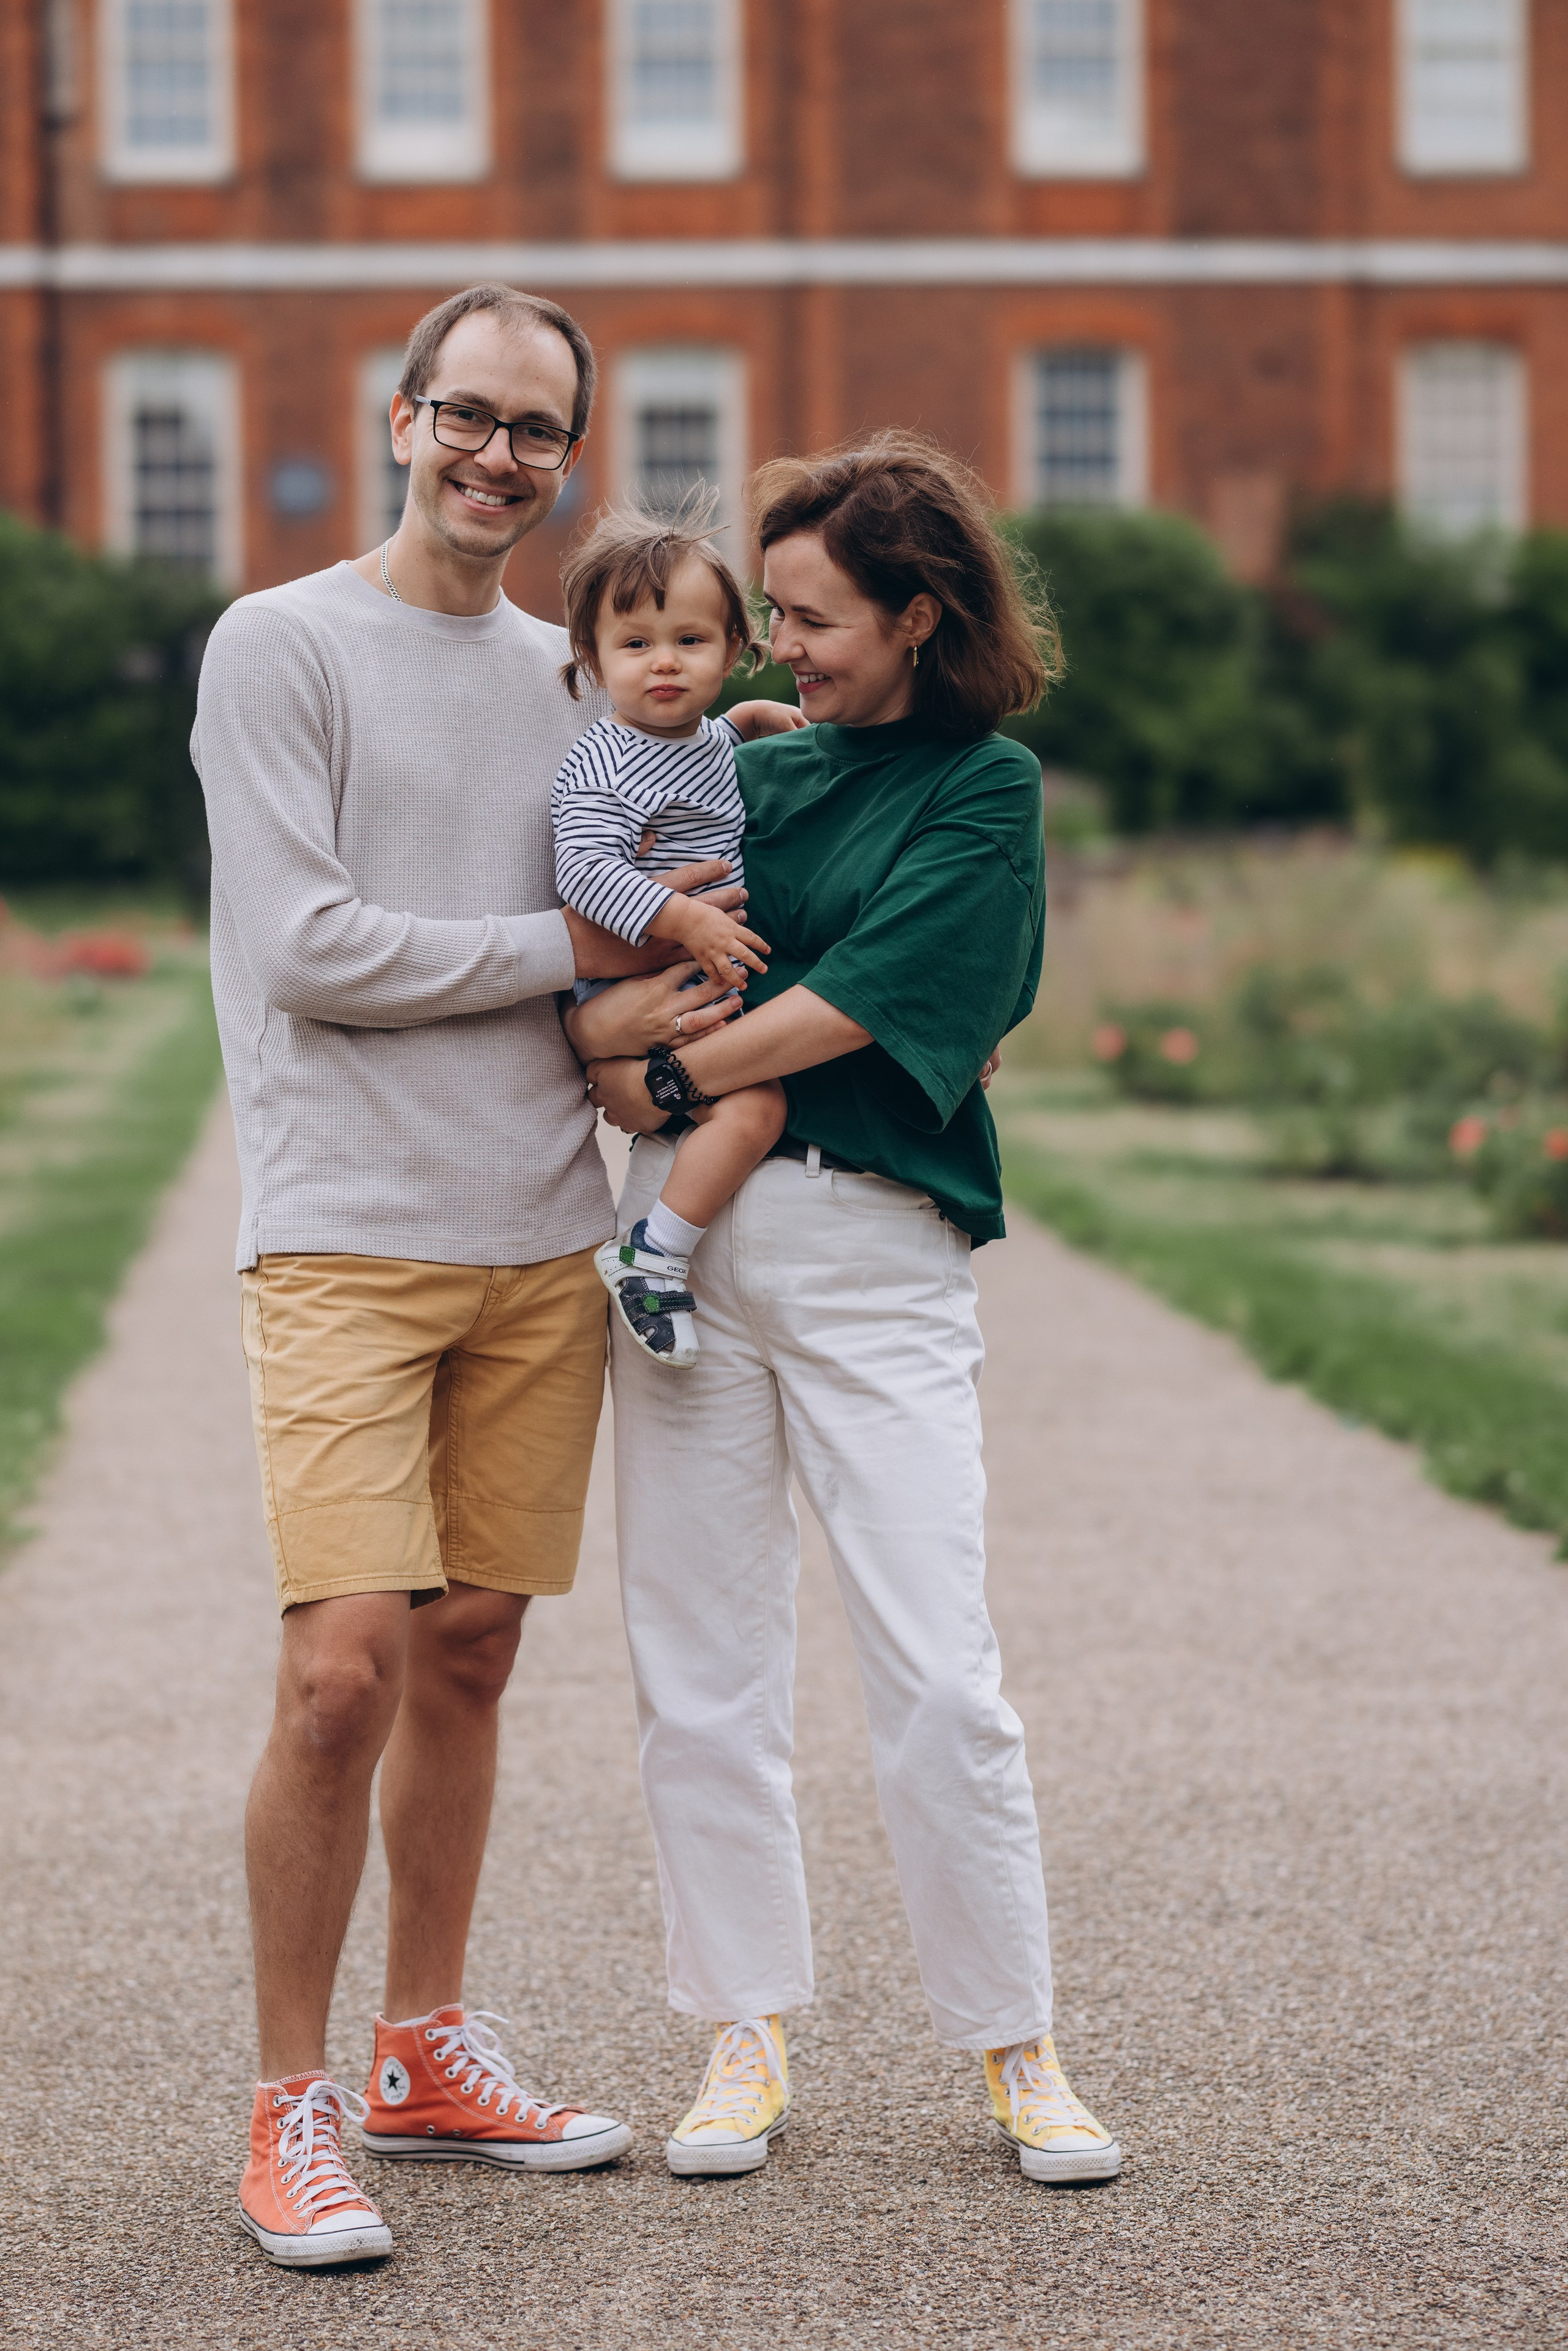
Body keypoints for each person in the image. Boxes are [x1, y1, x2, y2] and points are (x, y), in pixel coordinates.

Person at [194, 282, 743, 2268]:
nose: (502, 453)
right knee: (338, 1671)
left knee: (475, 1652)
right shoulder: (281, 644)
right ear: (405, 413)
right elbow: (314, 948)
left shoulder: (575, 672)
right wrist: (578, 950)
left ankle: (425, 2047)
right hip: (344, 1230)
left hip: (536, 1230)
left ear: (567, 459)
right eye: (473, 414)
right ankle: (292, 2102)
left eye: (541, 429)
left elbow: (675, 831)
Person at [578, 431, 1125, 2186]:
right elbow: (591, 999)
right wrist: (641, 1061)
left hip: (875, 1253)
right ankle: (743, 2028)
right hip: (689, 1257)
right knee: (700, 1667)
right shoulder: (743, 772)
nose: (775, 649)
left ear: (918, 611)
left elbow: (876, 999)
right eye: (775, 618)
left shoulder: (985, 789)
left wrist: (672, 1073)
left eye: (810, 618)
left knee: (942, 1672)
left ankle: (1016, 2038)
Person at [552, 497, 804, 1366]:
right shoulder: (599, 759)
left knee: (754, 1092)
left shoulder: (702, 739)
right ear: (592, 656)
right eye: (635, 645)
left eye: (690, 643)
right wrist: (685, 917)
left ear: (734, 651)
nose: (664, 663)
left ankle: (664, 1241)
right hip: (639, 981)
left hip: (701, 972)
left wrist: (745, 723)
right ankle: (653, 1254)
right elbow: (584, 871)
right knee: (758, 1104)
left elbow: (694, 766)